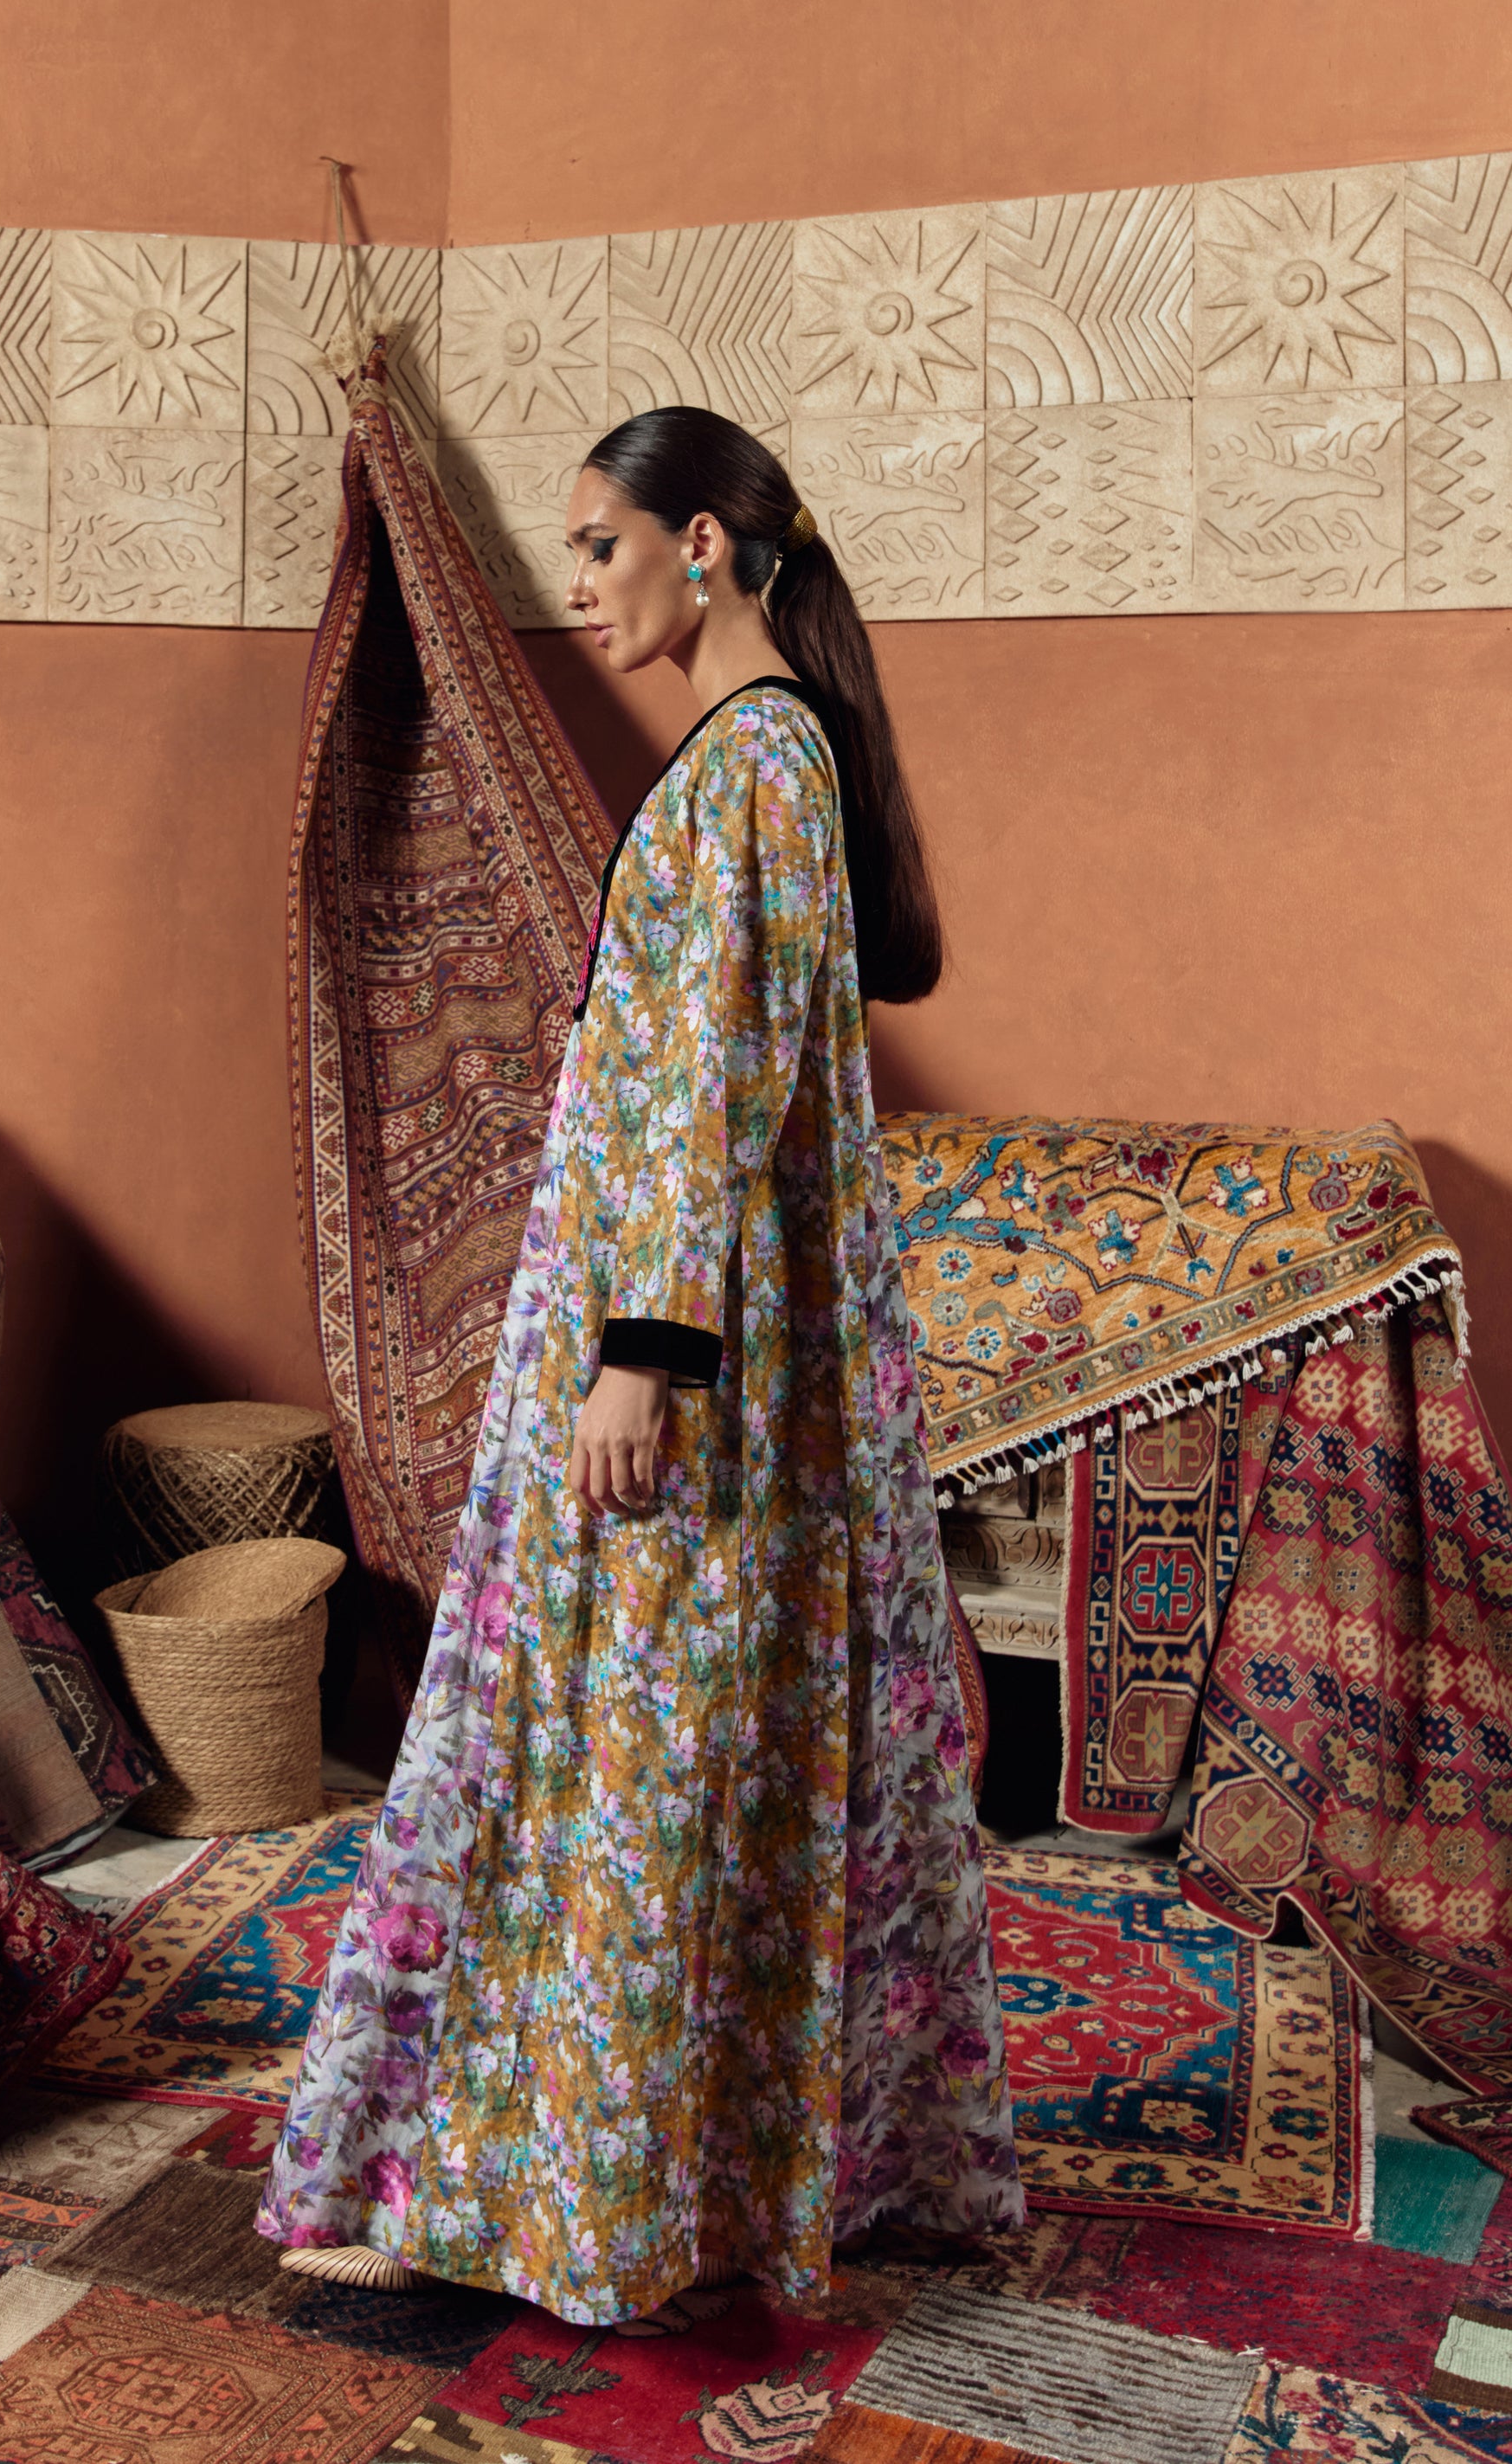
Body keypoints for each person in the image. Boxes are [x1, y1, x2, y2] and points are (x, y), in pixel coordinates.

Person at [257, 406, 1022, 2326]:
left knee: (605, 1755)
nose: (579, 586)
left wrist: (641, 1357)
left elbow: (707, 1095)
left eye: (600, 544)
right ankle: (640, 2184)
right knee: (668, 1756)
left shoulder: (751, 764)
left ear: (703, 542)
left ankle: (551, 2196)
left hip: (677, 1360)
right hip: (692, 1342)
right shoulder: (765, 758)